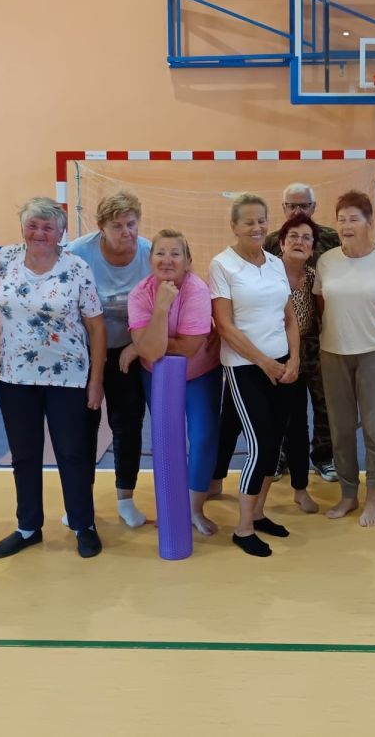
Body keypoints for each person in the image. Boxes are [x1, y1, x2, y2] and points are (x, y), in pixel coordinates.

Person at [0, 198, 107, 561]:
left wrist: (96, 380)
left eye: (48, 227)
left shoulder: (76, 268)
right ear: (22, 228)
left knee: (73, 453)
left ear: (61, 232)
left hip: (68, 376)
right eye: (33, 225)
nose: (39, 233)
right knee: (24, 455)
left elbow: (96, 326)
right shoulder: (3, 260)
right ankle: (28, 527)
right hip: (13, 376)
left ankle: (83, 525)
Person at [209, 194, 300, 557]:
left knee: (274, 442)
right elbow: (225, 326)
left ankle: (258, 514)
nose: (257, 227)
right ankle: (243, 528)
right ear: (234, 226)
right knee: (260, 444)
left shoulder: (276, 263)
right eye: (248, 221)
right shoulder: (222, 264)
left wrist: (294, 359)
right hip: (245, 368)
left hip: (281, 364)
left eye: (261, 220)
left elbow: (290, 317)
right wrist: (263, 362)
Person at [315, 190, 375, 528]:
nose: (346, 225)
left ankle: (374, 497)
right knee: (340, 429)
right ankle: (348, 494)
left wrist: (368, 335)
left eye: (354, 218)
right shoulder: (327, 261)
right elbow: (323, 306)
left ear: (370, 222)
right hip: (333, 352)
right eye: (342, 219)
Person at [128, 229, 223, 535]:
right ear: (150, 259)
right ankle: (171, 504)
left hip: (200, 373)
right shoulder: (140, 294)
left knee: (203, 436)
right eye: (160, 253)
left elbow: (189, 348)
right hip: (157, 375)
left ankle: (194, 508)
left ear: (188, 261)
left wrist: (141, 344)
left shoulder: (197, 290)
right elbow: (152, 352)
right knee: (166, 439)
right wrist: (161, 308)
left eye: (175, 254)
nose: (167, 260)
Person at [67, 192, 152, 528]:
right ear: (101, 227)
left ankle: (125, 498)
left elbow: (166, 303)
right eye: (117, 226)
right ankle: (80, 500)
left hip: (129, 351)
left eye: (131, 224)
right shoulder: (78, 253)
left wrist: (139, 347)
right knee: (81, 427)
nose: (126, 232)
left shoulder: (148, 253)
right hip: (84, 352)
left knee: (127, 424)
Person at [261, 182, 338, 482]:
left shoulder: (330, 239)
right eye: (291, 205)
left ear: (313, 208)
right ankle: (282, 456)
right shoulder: (270, 241)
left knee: (325, 403)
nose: (297, 210)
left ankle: (324, 457)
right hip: (280, 340)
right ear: (283, 208)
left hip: (320, 339)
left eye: (303, 205)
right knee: (284, 405)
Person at [274, 213, 324, 514]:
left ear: (312, 247)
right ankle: (216, 481)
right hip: (267, 354)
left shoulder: (314, 277)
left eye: (306, 238)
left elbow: (322, 316)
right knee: (247, 421)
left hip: (303, 356)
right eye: (293, 236)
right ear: (282, 242)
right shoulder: (267, 272)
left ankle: (300, 488)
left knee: (297, 423)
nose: (299, 242)